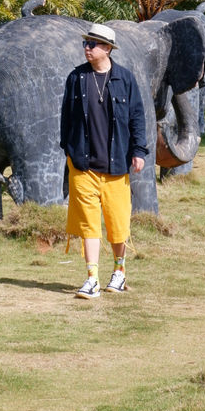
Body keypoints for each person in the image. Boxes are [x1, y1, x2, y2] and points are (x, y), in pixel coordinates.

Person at [60, 22, 148, 300]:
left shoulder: (125, 79)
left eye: (92, 44)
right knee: (88, 224)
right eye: (86, 43)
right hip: (83, 166)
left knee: (117, 223)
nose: (87, 48)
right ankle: (91, 279)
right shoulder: (76, 78)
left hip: (116, 166)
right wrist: (69, 150)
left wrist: (139, 151)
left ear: (107, 49)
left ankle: (119, 273)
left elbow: (137, 117)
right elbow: (66, 117)